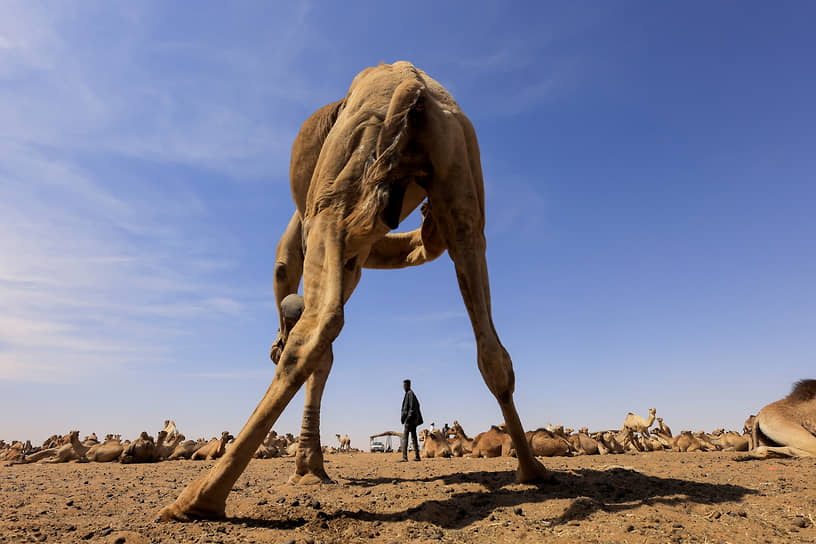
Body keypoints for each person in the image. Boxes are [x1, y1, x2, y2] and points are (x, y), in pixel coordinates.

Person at [399, 379, 423, 462]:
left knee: (405, 437)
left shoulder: (410, 394)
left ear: (408, 385)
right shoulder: (409, 394)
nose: (403, 387)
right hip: (411, 419)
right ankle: (417, 456)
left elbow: (412, 408)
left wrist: (408, 418)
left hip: (410, 420)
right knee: (414, 438)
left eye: (405, 385)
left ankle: (404, 457)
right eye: (403, 385)